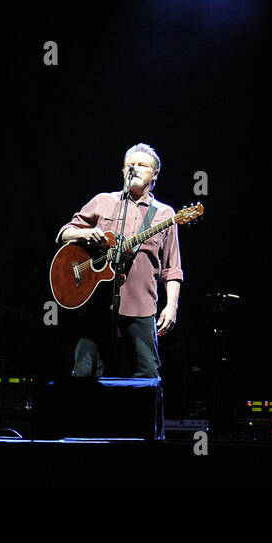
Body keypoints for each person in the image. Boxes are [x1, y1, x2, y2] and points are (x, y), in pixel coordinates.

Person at [56, 143, 182, 379]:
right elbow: (64, 232)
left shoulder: (165, 214)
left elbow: (172, 268)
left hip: (141, 307)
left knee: (147, 376)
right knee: (83, 375)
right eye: (129, 165)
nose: (134, 168)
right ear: (123, 172)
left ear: (155, 174)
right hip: (97, 305)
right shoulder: (103, 201)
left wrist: (171, 305)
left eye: (141, 165)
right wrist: (84, 233)